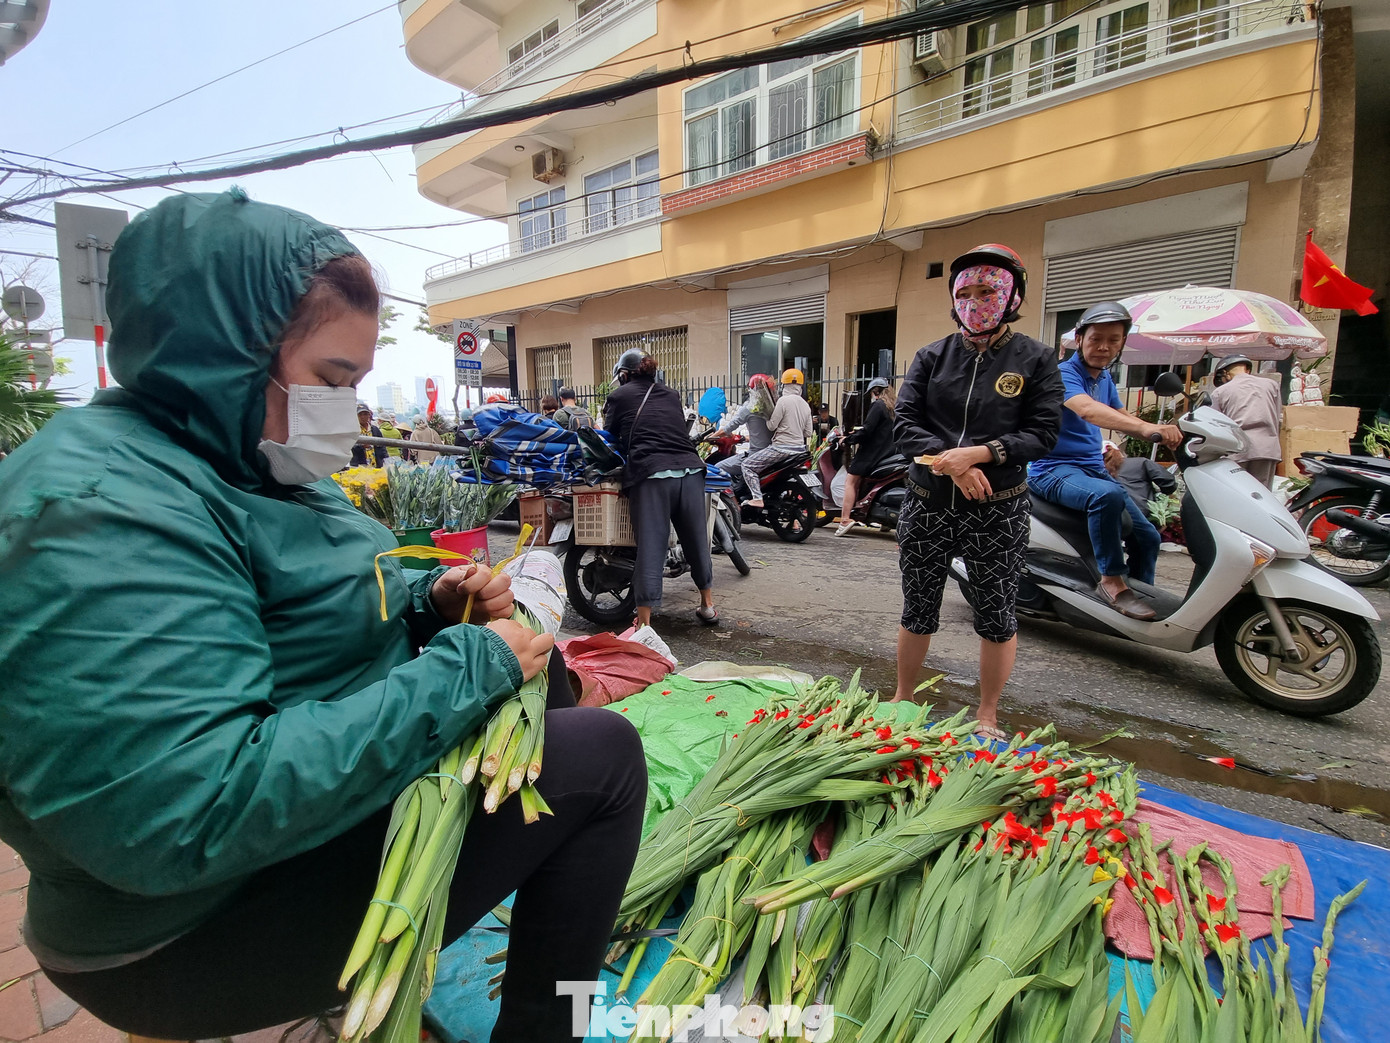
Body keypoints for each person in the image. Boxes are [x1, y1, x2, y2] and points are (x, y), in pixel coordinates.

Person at [0, 190, 646, 1041]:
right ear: (225, 358)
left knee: (547, 680)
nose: (343, 408)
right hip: (185, 926)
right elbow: (188, 812)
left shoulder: (243, 456)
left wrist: (429, 601)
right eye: (331, 380)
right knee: (603, 757)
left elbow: (308, 598)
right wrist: (466, 669)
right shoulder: (98, 506)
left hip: (277, 848)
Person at [893, 244, 1064, 739]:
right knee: (917, 607)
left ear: (1012, 296)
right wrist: (951, 463)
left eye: (986, 291)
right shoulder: (931, 357)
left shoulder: (1036, 359)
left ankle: (987, 713)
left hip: (998, 510)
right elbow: (905, 425)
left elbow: (1043, 432)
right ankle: (903, 696)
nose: (974, 301)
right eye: (964, 292)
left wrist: (981, 454)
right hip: (927, 503)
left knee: (996, 614)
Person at [1027, 301, 1182, 621]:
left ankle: (1141, 593)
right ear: (1079, 339)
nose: (1103, 347)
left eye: (1113, 340)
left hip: (1092, 469)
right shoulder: (1063, 374)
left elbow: (1119, 414)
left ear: (1122, 343)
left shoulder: (1104, 378)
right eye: (1096, 339)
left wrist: (1162, 430)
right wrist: (1146, 428)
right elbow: (1087, 410)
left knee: (1148, 537)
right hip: (1052, 469)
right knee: (1106, 495)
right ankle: (1111, 580)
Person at [603, 349, 718, 627]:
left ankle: (644, 623)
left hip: (652, 474)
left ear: (625, 375)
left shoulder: (619, 396)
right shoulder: (671, 395)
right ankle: (708, 606)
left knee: (651, 547)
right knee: (696, 541)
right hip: (691, 472)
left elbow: (609, 435)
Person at [742, 368, 813, 509]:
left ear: (784, 385)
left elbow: (771, 426)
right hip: (799, 450)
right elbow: (808, 432)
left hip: (781, 449)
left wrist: (765, 414)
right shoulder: (805, 405)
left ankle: (757, 498)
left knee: (747, 466)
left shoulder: (783, 401)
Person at [835, 377, 897, 536]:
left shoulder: (878, 405)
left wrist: (848, 439)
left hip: (871, 454)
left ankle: (845, 519)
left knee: (851, 481)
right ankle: (884, 521)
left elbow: (868, 430)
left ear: (875, 392)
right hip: (888, 453)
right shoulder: (893, 408)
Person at [1211, 353, 1283, 487]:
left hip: (1237, 450)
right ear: (1247, 369)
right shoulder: (1271, 385)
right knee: (1262, 494)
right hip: (1267, 448)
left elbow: (1215, 426)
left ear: (1225, 373)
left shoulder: (1220, 392)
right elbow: (1277, 416)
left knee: (1236, 493)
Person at [714, 373, 777, 489]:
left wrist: (709, 437)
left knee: (718, 468)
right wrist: (746, 438)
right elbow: (762, 432)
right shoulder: (775, 408)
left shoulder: (750, 408)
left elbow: (727, 429)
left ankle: (731, 499)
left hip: (756, 455)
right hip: (774, 454)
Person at [1103, 439, 1176, 516]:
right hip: (1145, 514)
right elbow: (1167, 480)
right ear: (1119, 452)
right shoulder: (1141, 463)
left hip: (1114, 517)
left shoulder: (1098, 473)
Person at [351, 401, 385, 467]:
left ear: (369, 415)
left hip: (376, 465)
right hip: (360, 466)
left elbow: (382, 446)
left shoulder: (375, 429)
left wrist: (384, 459)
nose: (363, 417)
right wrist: (361, 446)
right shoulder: (353, 431)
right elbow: (348, 447)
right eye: (360, 415)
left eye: (365, 414)